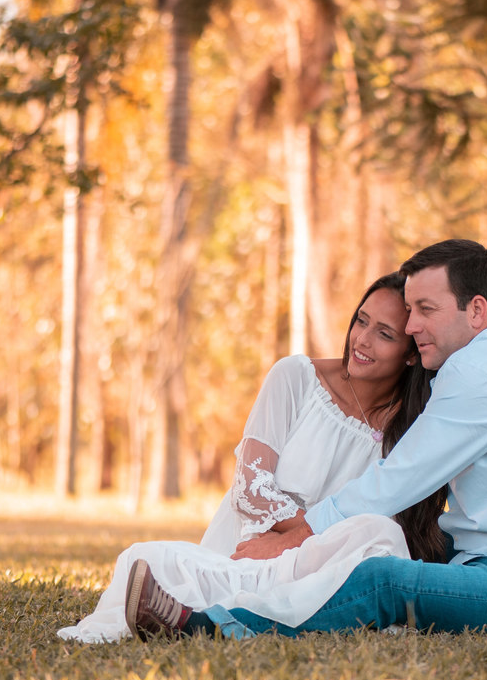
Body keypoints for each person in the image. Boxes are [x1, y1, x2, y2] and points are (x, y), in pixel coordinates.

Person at [126, 239, 487, 640]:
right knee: (381, 539)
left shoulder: (481, 376)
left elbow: (395, 481)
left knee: (381, 578)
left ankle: (214, 629)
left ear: (476, 311)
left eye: (425, 309)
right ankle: (257, 592)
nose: (412, 324)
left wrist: (293, 539)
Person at [58, 273, 448, 643]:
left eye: (384, 334)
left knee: (380, 535)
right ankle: (245, 601)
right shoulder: (295, 378)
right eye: (361, 321)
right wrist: (296, 540)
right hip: (252, 554)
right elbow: (251, 488)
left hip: (323, 568)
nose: (362, 340)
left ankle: (215, 612)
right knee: (143, 559)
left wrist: (300, 542)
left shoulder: (412, 428)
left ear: (411, 355)